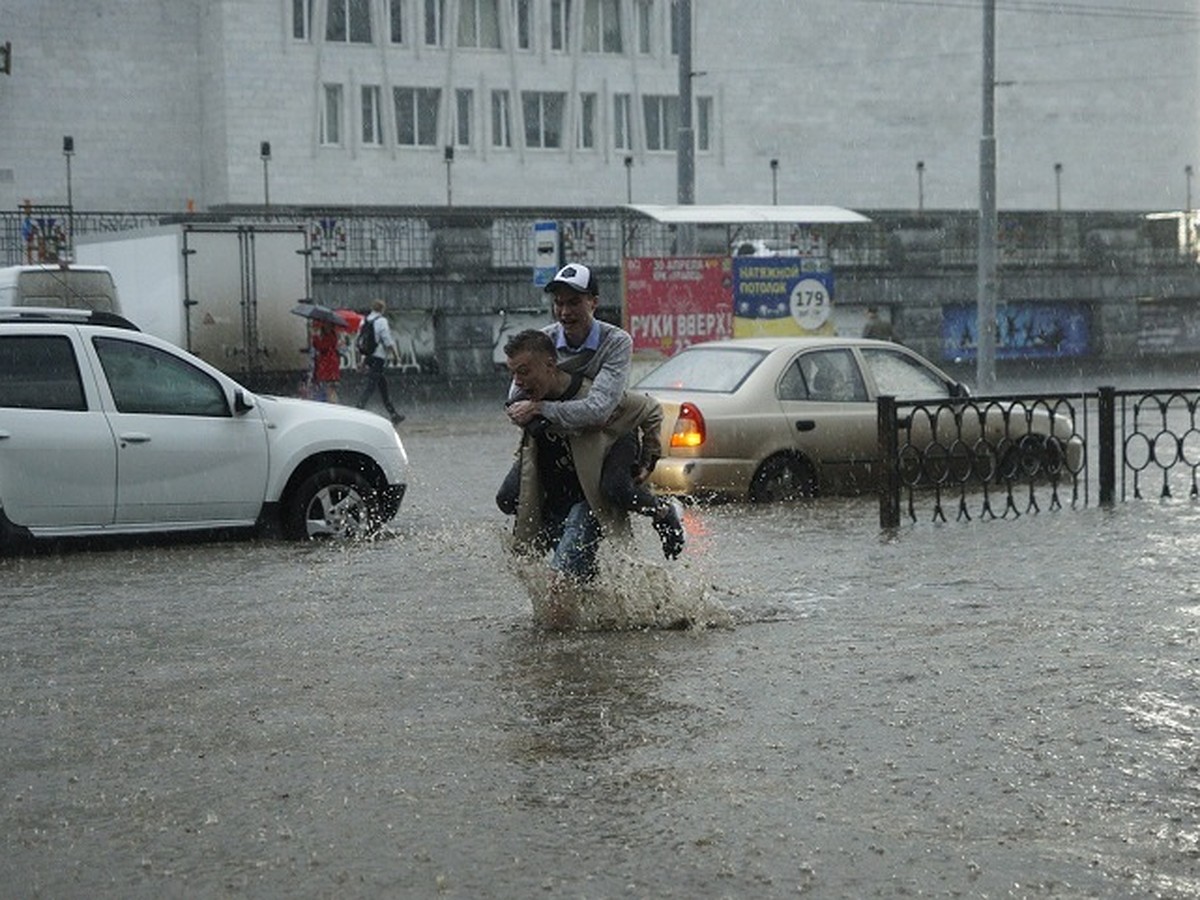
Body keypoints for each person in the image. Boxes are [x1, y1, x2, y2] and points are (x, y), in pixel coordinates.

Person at [504, 262, 684, 557]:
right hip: (563, 435)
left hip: (613, 430)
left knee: (615, 490)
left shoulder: (616, 342)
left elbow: (599, 409)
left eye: (574, 302)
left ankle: (664, 511)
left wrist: (541, 409)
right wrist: (525, 411)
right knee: (511, 497)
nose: (565, 312)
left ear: (594, 302)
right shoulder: (543, 340)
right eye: (559, 303)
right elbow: (515, 397)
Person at [496, 329, 675, 588]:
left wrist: (649, 457)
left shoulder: (593, 400)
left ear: (549, 365)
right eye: (512, 373)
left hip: (589, 496)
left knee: (558, 585)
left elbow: (650, 409)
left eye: (523, 372)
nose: (517, 382)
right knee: (508, 499)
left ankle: (663, 511)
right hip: (559, 491)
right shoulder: (525, 401)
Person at [355, 298, 405, 425]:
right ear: (382, 309)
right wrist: (396, 355)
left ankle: (393, 414)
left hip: (368, 356)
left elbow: (360, 340)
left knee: (382, 385)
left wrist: (361, 360)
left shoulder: (364, 320)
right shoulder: (381, 321)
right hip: (378, 357)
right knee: (371, 386)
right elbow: (387, 340)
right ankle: (358, 409)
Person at [309, 320, 342, 403]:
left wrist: (315, 337)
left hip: (328, 365)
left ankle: (332, 405)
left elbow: (321, 347)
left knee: (328, 388)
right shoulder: (332, 335)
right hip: (330, 365)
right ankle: (333, 403)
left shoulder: (329, 336)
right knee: (329, 387)